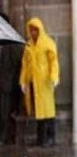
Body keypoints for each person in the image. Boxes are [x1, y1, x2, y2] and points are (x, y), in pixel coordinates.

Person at [19, 17, 59, 147]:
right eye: (31, 30)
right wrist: (23, 81)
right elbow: (25, 65)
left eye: (35, 30)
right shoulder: (28, 46)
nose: (33, 33)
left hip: (45, 82)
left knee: (48, 112)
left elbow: (54, 62)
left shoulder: (48, 43)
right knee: (38, 112)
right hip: (34, 83)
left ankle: (51, 137)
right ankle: (41, 138)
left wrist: (54, 77)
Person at [0, 12, 24, 145]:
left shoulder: (14, 45)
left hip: (7, 85)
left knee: (5, 113)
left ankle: (5, 138)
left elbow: (18, 65)